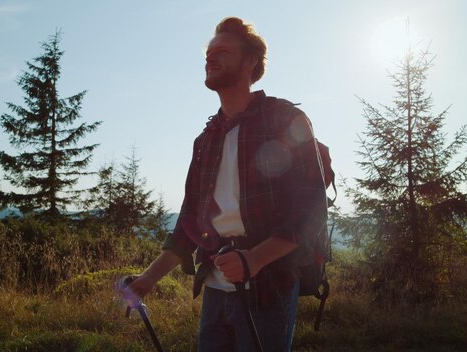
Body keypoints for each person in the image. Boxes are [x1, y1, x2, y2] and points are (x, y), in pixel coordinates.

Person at [124, 17, 328, 352]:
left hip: (270, 287)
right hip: (216, 290)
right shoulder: (206, 139)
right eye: (208, 52)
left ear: (249, 62)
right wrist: (147, 279)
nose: (210, 57)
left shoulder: (284, 119)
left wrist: (254, 259)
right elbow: (189, 223)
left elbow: (310, 208)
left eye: (222, 51)